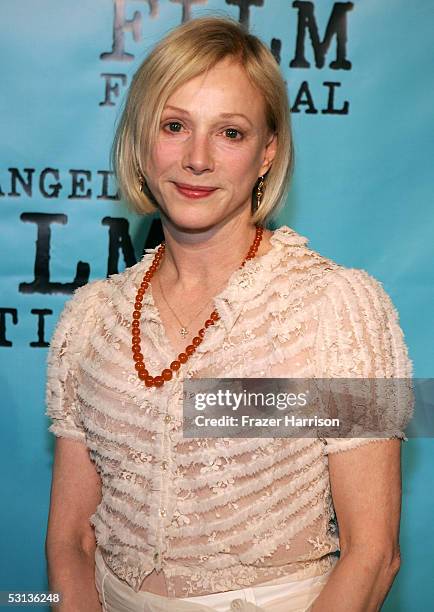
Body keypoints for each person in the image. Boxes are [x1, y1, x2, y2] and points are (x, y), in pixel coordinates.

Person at [44, 15, 413, 612]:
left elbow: (374, 555)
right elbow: (70, 541)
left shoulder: (342, 309)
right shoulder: (90, 319)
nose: (197, 158)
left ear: (267, 153)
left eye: (230, 133)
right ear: (142, 141)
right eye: (174, 126)